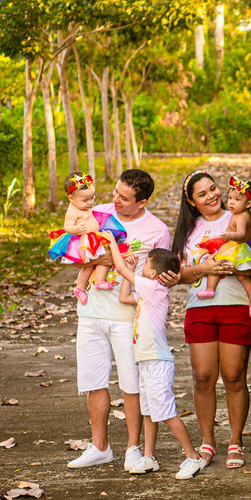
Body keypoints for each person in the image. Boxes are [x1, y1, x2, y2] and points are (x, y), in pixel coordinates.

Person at [67, 169, 172, 471]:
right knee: (93, 380)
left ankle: (132, 448)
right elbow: (72, 251)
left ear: (142, 201)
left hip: (129, 317)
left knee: (132, 384)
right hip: (91, 311)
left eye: (123, 198)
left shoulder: (157, 230)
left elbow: (160, 280)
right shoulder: (96, 213)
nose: (114, 200)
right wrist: (95, 260)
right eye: (115, 192)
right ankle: (99, 446)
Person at [170, 169, 251, 469]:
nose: (212, 196)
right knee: (203, 377)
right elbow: (177, 275)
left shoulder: (239, 215)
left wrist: (237, 266)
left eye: (213, 189)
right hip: (200, 308)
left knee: (234, 375)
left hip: (236, 304)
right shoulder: (188, 230)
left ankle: (236, 440)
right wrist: (204, 269)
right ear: (192, 202)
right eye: (202, 194)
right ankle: (208, 441)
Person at [107, 243, 205, 479]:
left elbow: (119, 267)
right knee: (149, 411)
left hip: (157, 360)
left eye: (145, 264)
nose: (141, 268)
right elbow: (123, 296)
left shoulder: (153, 288)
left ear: (152, 273)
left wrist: (110, 238)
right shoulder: (148, 291)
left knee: (166, 412)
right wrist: (129, 276)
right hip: (146, 360)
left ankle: (193, 457)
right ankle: (149, 457)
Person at [195, 175, 251, 319]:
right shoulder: (247, 215)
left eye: (236, 200)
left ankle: (210, 289)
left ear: (248, 204)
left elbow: (241, 234)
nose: (231, 203)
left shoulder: (240, 217)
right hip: (246, 248)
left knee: (216, 263)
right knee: (243, 277)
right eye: (229, 198)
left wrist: (230, 235)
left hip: (238, 247)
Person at [47, 172, 127, 304]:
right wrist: (76, 229)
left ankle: (99, 281)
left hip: (94, 238)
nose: (90, 202)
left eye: (92, 198)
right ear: (71, 199)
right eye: (86, 200)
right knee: (89, 266)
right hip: (83, 241)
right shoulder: (73, 210)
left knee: (102, 260)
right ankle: (79, 288)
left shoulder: (83, 205)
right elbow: (67, 226)